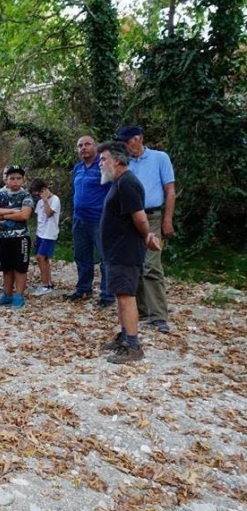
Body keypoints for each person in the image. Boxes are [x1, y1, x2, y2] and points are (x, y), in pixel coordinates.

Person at [96, 142, 162, 363]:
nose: (100, 163)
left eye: (103, 159)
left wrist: (147, 236)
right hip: (116, 251)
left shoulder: (128, 183)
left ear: (117, 160)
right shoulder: (119, 182)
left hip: (125, 251)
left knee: (126, 296)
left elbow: (140, 217)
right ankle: (124, 336)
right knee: (121, 294)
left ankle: (133, 345)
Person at [116, 125, 175, 334]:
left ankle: (158, 315)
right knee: (135, 264)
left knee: (151, 265)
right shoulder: (123, 162)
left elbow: (170, 190)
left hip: (152, 216)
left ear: (139, 138)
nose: (125, 144)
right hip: (129, 217)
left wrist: (167, 219)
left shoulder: (160, 158)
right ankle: (140, 310)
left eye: (128, 140)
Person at [70, 135, 114, 306]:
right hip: (79, 219)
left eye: (87, 144)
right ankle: (83, 289)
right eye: (80, 145)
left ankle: (108, 295)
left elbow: (112, 191)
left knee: (105, 258)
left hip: (99, 220)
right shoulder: (78, 168)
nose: (83, 148)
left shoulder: (103, 166)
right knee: (82, 257)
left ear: (95, 146)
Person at [0, 165, 34, 308]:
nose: (15, 181)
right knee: (6, 267)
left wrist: (2, 215)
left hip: (20, 237)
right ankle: (7, 294)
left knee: (20, 267)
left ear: (23, 179)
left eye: (18, 178)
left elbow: (24, 215)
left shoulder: (26, 195)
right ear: (6, 180)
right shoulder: (0, 194)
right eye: (12, 178)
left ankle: (19, 295)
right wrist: (11, 212)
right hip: (2, 237)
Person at [29, 178, 61, 296]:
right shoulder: (39, 202)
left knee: (40, 257)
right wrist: (36, 236)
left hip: (49, 233)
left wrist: (45, 200)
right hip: (41, 234)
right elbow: (39, 219)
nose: (38, 197)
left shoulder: (55, 200)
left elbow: (48, 213)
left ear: (43, 190)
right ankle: (49, 282)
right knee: (45, 259)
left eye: (38, 194)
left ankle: (45, 285)